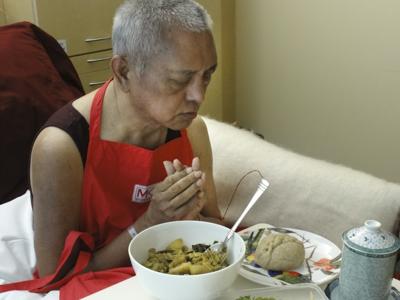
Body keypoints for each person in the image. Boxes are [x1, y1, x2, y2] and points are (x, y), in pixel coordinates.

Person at [0, 0, 222, 298]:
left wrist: (194, 215)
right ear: (124, 71)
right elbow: (56, 277)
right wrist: (150, 222)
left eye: (206, 75)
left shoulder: (193, 131)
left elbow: (216, 229)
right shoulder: (61, 147)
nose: (199, 96)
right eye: (179, 80)